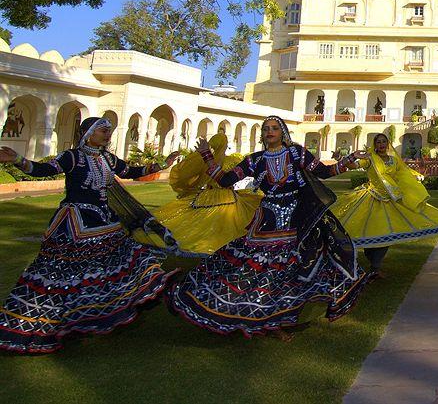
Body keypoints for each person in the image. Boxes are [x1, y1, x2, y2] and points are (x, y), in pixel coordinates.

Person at [168, 116, 365, 336]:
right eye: (266, 129)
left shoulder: (296, 153)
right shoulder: (255, 160)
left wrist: (350, 159)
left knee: (295, 265)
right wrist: (207, 156)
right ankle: (260, 316)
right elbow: (225, 180)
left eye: (274, 128)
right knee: (260, 265)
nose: (270, 132)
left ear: (282, 133)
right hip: (268, 218)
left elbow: (325, 172)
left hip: (297, 215)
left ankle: (283, 316)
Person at [0, 117, 179, 354]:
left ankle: (101, 310)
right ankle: (44, 321)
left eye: (108, 131)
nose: (107, 135)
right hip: (76, 223)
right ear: (88, 133)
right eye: (102, 131)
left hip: (104, 220)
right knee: (62, 273)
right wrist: (18, 160)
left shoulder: (107, 158)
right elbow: (44, 170)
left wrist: (162, 165)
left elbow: (132, 172)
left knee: (117, 261)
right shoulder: (72, 157)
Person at [332, 133, 438, 278]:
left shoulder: (394, 160)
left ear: (388, 144)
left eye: (383, 142)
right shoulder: (370, 159)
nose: (381, 144)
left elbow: (403, 173)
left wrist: (415, 177)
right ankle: (371, 257)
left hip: (391, 200)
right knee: (370, 230)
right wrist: (342, 159)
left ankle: (375, 267)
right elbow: (354, 165)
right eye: (378, 142)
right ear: (375, 145)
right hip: (371, 198)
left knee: (386, 231)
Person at [134, 133, 263, 256]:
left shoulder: (205, 161)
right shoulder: (233, 160)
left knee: (198, 222)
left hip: (206, 196)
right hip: (228, 197)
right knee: (224, 225)